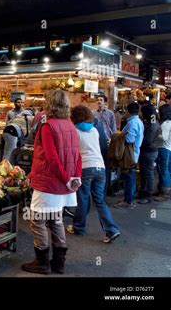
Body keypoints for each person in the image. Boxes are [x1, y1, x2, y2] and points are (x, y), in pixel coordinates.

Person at [22, 90, 81, 275]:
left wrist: (65, 178)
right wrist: (74, 178)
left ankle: (42, 262)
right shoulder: (71, 125)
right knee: (56, 220)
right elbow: (78, 155)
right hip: (66, 183)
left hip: (49, 183)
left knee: (37, 221)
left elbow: (51, 158)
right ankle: (59, 263)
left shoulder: (48, 126)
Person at [67, 105, 120, 243]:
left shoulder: (74, 131)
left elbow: (72, 153)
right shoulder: (95, 130)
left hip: (85, 167)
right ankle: (112, 230)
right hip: (100, 168)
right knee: (100, 202)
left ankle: (79, 227)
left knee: (83, 199)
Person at [114, 102, 144, 209]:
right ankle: (129, 198)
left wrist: (119, 136)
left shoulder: (133, 123)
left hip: (130, 154)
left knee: (129, 176)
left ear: (128, 111)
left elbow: (129, 139)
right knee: (130, 176)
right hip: (134, 153)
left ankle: (129, 201)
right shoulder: (137, 121)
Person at [137, 104, 161, 204]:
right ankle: (144, 192)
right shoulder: (153, 122)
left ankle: (147, 196)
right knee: (145, 173)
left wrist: (138, 144)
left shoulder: (152, 124)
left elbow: (148, 140)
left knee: (148, 173)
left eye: (142, 112)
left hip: (149, 152)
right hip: (151, 151)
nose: (140, 113)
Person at [156, 105, 171, 202]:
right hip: (170, 148)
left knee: (163, 170)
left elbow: (163, 138)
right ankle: (162, 189)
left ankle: (165, 192)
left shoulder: (166, 123)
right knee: (167, 170)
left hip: (164, 148)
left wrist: (156, 136)